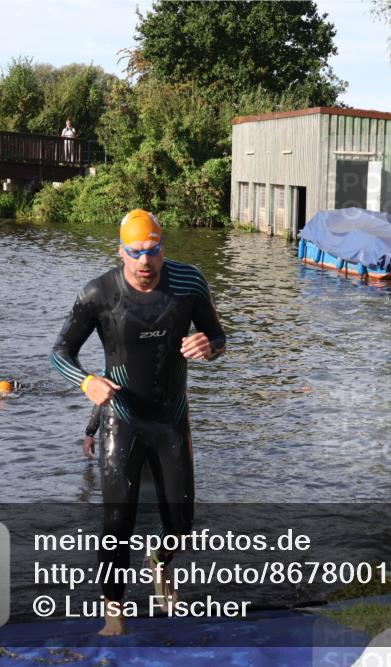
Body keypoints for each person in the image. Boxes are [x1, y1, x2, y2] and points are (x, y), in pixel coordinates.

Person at [51, 208, 226, 636]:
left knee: (181, 527)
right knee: (116, 524)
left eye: (153, 251)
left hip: (171, 421)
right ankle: (114, 613)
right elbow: (60, 352)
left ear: (163, 249)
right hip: (122, 419)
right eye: (135, 253)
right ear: (121, 252)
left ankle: (158, 562)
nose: (145, 262)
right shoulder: (99, 293)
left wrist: (210, 346)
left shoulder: (189, 282)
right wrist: (85, 380)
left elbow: (218, 337)